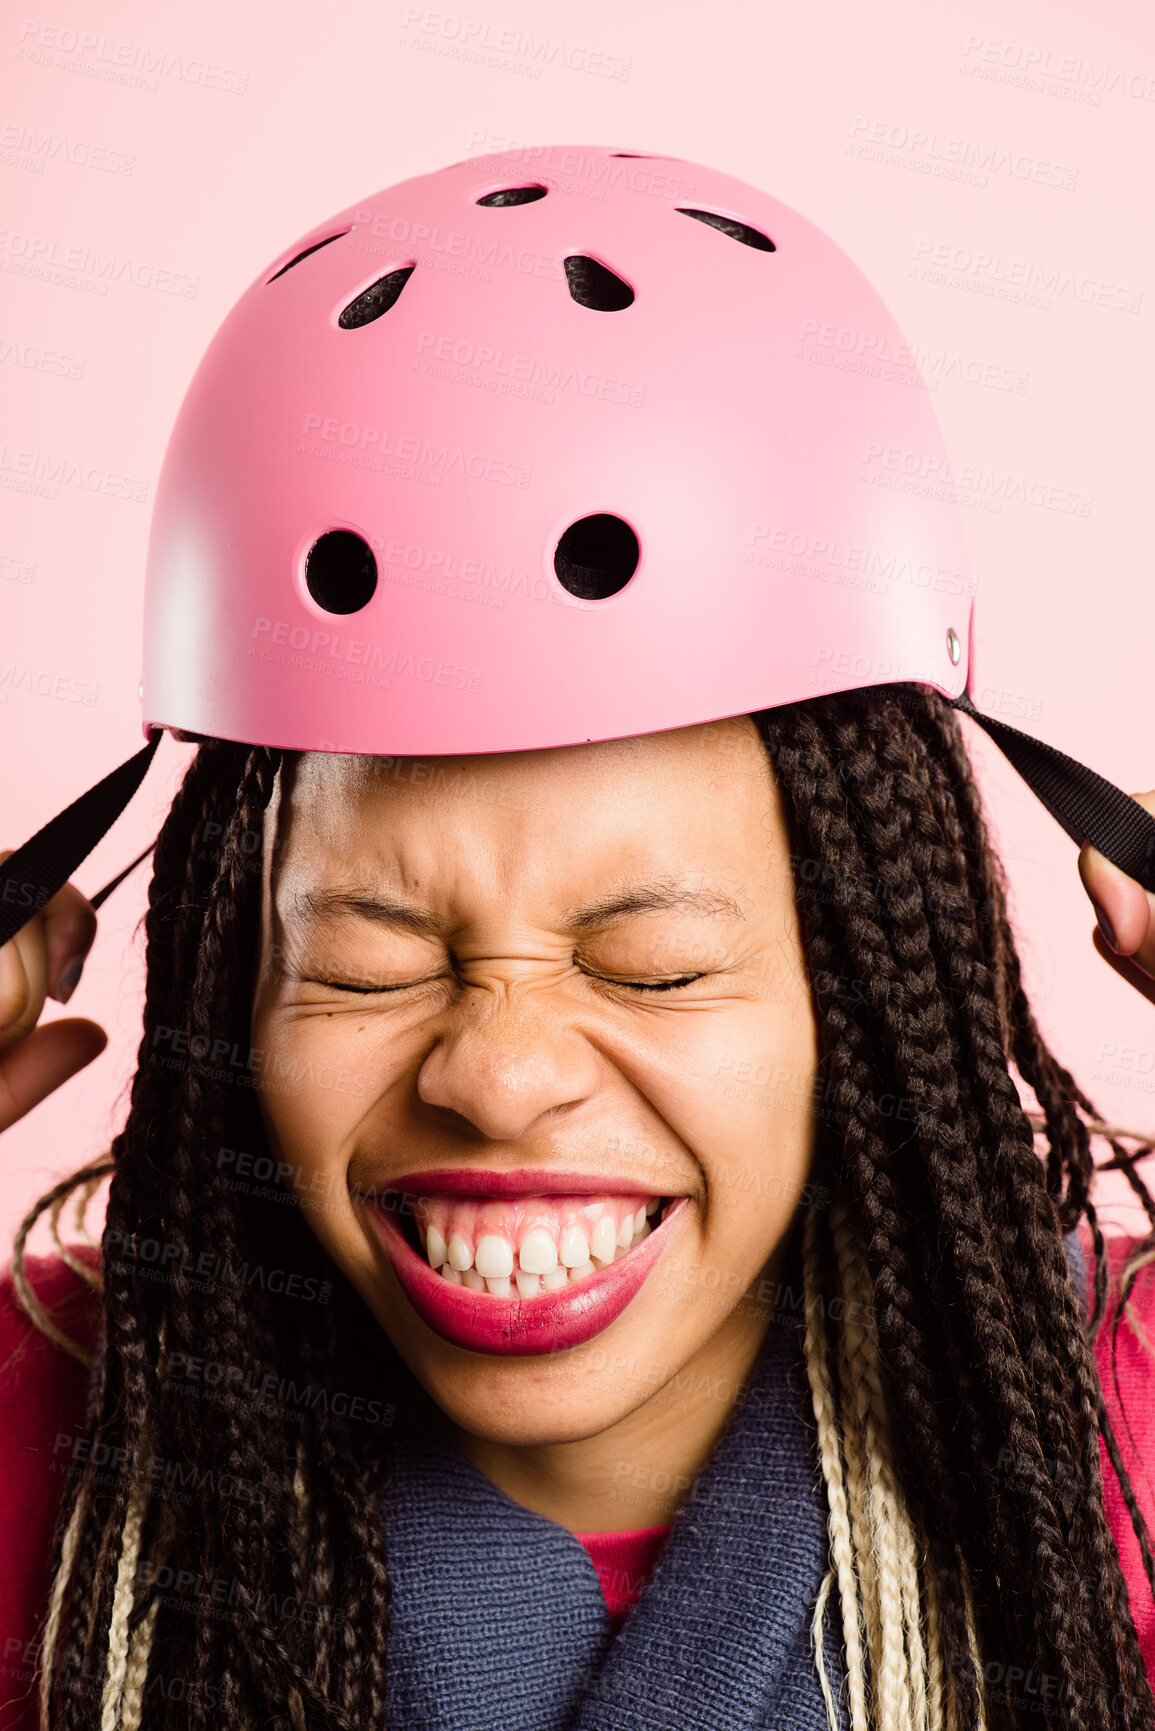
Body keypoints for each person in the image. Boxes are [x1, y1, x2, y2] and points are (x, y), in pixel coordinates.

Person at [2, 145, 1154, 1731]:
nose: (500, 1076)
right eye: (370, 960)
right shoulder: (36, 1426)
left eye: (652, 963)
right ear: (229, 982)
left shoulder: (1123, 1430)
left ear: (866, 988)